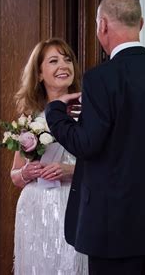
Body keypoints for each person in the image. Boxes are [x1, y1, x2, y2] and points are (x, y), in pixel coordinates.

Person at [45, 0, 145, 275]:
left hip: (111, 230)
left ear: (102, 25)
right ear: (141, 24)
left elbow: (87, 143)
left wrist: (54, 112)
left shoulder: (100, 78)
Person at [10, 38, 88, 274]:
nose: (63, 65)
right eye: (54, 60)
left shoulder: (89, 109)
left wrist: (71, 170)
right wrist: (26, 172)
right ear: (40, 73)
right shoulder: (29, 115)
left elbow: (104, 165)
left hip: (72, 204)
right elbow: (14, 175)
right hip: (35, 208)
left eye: (67, 59)